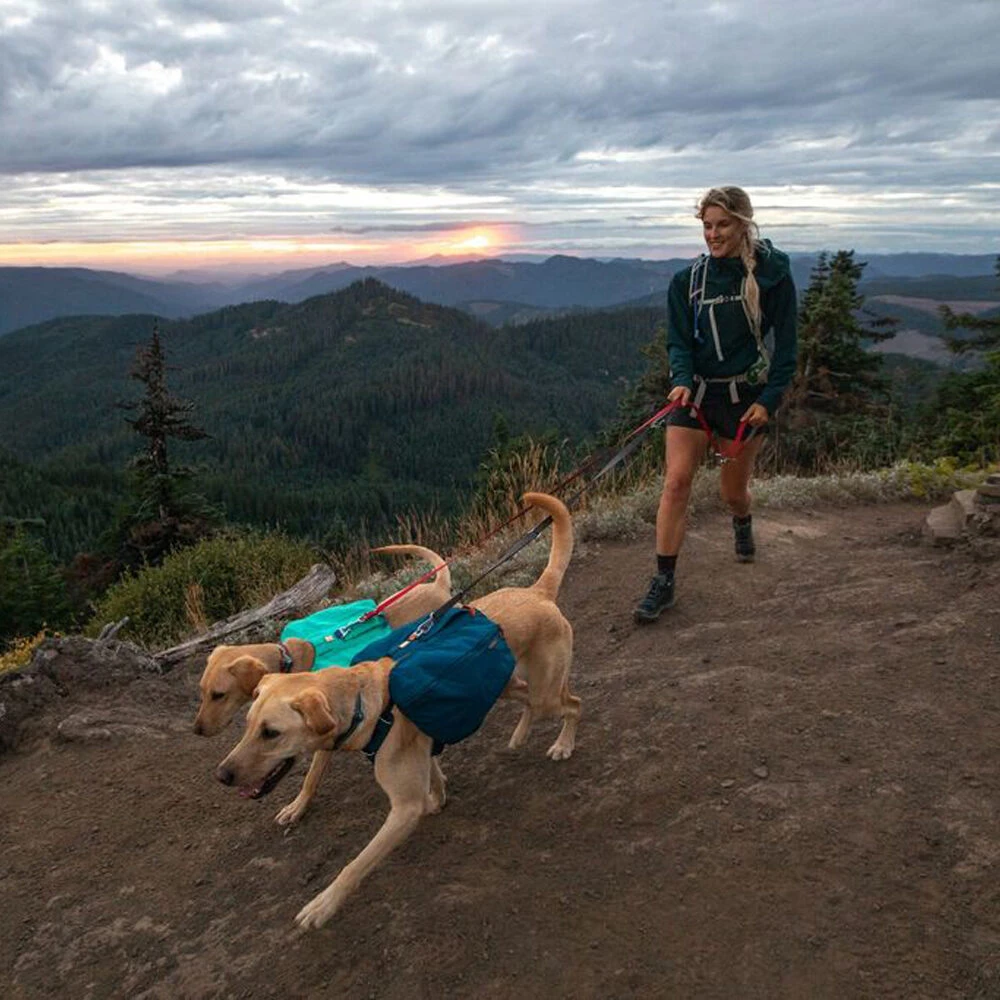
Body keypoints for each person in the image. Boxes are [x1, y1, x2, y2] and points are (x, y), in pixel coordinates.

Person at [633, 186, 798, 623]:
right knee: (676, 483)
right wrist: (681, 380)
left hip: (745, 401)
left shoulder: (773, 275)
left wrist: (769, 401)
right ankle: (664, 581)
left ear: (743, 224)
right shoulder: (686, 281)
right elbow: (678, 342)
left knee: (732, 493)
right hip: (697, 396)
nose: (713, 234)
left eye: (722, 225)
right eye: (707, 225)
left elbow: (786, 349)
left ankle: (742, 520)